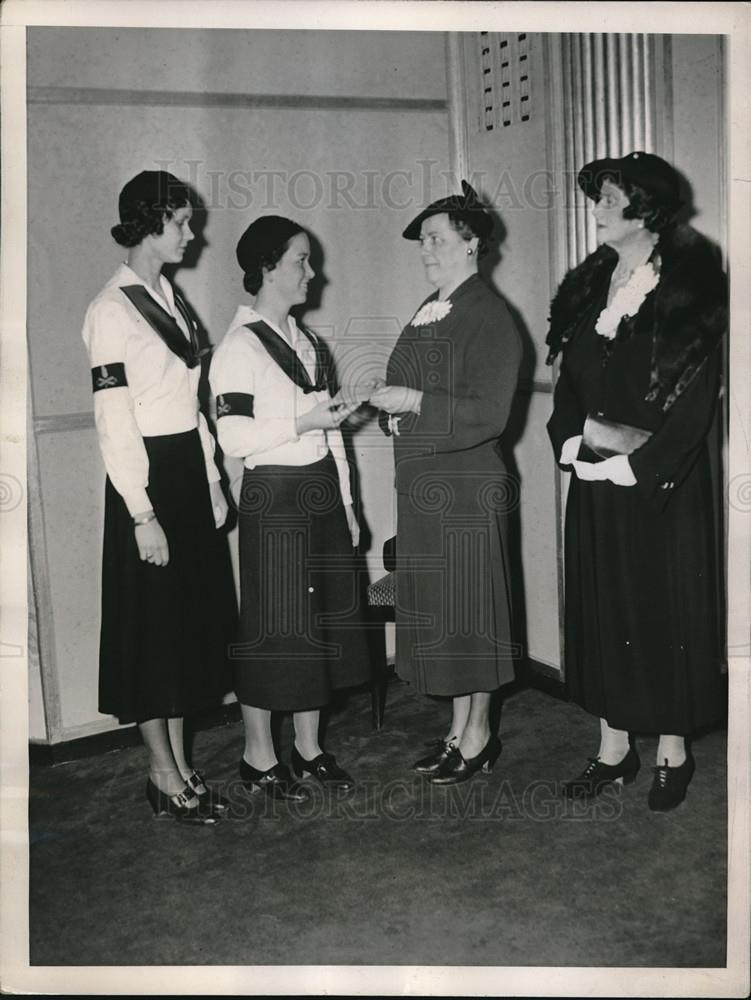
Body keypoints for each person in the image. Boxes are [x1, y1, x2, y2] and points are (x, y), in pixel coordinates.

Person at [546, 151, 727, 811]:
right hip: (592, 473)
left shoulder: (691, 283)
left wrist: (635, 464)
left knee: (662, 610)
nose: (595, 210)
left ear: (643, 208)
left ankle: (672, 752)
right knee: (601, 608)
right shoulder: (595, 284)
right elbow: (569, 380)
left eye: (607, 198)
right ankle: (612, 748)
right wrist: (570, 441)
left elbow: (694, 402)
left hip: (660, 484)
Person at [82, 170, 236, 824]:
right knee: (152, 633)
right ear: (148, 223)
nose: (190, 233)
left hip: (183, 473)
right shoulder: (111, 310)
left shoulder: (168, 296)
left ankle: (179, 765)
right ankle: (161, 771)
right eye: (180, 221)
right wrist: (141, 512)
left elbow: (190, 403)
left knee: (180, 631)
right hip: (143, 480)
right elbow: (113, 419)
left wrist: (210, 479)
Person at [209, 215, 372, 802]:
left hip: (320, 492)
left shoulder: (306, 341)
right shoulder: (237, 348)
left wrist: (349, 506)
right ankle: (258, 755)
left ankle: (309, 749)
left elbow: (332, 435)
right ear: (267, 269)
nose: (312, 271)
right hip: (272, 497)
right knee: (273, 629)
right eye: (301, 261)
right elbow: (234, 438)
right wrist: (303, 420)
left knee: (317, 626)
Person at [370, 181, 522, 784]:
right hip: (427, 490)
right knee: (448, 617)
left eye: (436, 238)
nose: (426, 249)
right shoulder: (430, 309)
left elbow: (489, 413)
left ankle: (479, 735)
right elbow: (404, 384)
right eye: (424, 241)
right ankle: (458, 732)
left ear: (471, 244)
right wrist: (392, 407)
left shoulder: (490, 316)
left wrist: (412, 399)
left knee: (472, 617)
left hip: (466, 488)